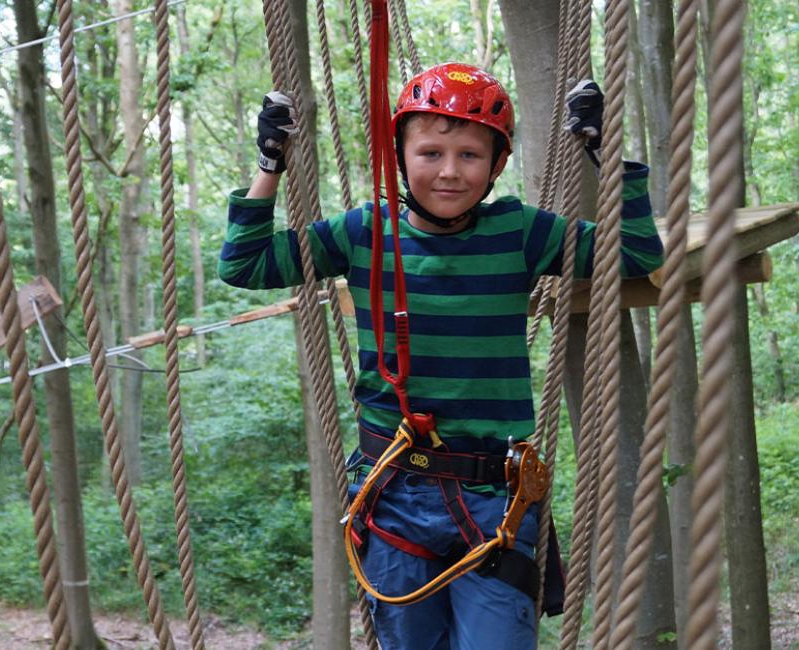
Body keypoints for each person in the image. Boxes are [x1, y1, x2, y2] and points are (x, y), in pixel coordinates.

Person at [219, 64, 663, 649]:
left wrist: (605, 155)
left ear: (496, 166)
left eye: (470, 156)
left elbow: (635, 253)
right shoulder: (364, 233)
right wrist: (269, 164)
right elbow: (244, 265)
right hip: (394, 491)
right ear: (400, 157)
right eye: (430, 152)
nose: (449, 172)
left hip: (494, 498)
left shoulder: (519, 232)